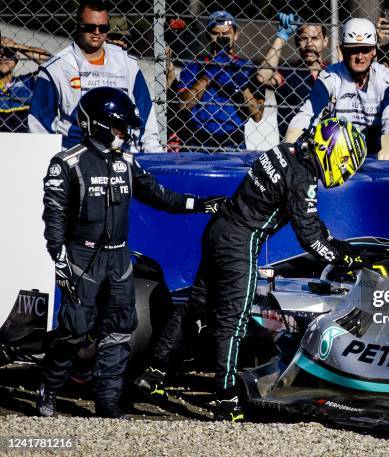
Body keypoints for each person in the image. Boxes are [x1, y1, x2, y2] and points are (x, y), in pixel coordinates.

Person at [135, 117, 367, 421]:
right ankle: (226, 399)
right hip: (240, 243)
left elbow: (308, 219)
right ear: (334, 150)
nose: (347, 171)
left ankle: (152, 375)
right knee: (233, 321)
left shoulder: (286, 151)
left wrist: (336, 244)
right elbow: (310, 238)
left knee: (195, 308)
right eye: (348, 162)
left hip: (219, 230)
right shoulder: (303, 177)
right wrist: (343, 258)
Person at [37, 87, 227, 419]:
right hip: (81, 258)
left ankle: (108, 400)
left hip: (119, 258)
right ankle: (49, 388)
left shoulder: (127, 162)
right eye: (119, 126)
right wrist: (60, 258)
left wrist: (200, 204)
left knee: (120, 329)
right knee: (74, 330)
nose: (125, 134)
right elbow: (53, 217)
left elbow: (159, 196)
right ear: (97, 124)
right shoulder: (66, 164)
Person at [28, 0, 163, 152]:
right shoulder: (55, 68)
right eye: (90, 27)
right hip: (76, 156)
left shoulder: (127, 64)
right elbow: (39, 126)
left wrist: (152, 156)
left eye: (103, 27)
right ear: (77, 26)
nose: (97, 32)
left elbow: (146, 117)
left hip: (121, 154)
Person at [286, 18, 389, 160]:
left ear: (374, 51)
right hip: (334, 157)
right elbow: (308, 112)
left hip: (376, 157)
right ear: (342, 50)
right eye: (353, 50)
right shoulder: (330, 76)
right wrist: (290, 144)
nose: (360, 57)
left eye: (365, 49)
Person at [171, 10, 262, 151]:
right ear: (208, 35)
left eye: (226, 33)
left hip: (233, 141)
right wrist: (208, 75)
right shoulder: (195, 65)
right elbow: (182, 105)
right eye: (215, 33)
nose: (221, 37)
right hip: (197, 140)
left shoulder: (245, 68)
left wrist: (242, 87)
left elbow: (257, 116)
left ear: (236, 35)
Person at [255, 13, 329, 139]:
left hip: (325, 145)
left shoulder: (332, 73)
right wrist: (281, 37)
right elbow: (263, 77)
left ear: (325, 41)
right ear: (296, 41)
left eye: (315, 38)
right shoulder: (289, 72)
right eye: (304, 38)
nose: (309, 43)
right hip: (292, 146)